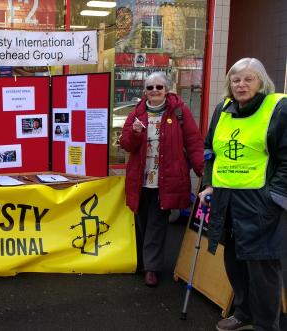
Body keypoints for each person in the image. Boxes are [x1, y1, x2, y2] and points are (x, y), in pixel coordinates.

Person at [198, 58, 286, 331]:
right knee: (234, 261)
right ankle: (243, 313)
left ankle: (265, 325)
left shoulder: (277, 109)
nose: (241, 85)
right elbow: (210, 149)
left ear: (261, 82)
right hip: (226, 200)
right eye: (235, 80)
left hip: (260, 202)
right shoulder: (222, 109)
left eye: (248, 79)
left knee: (262, 268)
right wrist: (209, 184)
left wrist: (276, 195)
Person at [120, 72, 203, 287]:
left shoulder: (179, 111)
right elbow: (126, 144)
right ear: (145, 92)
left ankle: (151, 268)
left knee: (157, 224)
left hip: (166, 180)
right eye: (150, 87)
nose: (154, 91)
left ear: (166, 89)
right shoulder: (137, 113)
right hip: (140, 180)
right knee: (142, 222)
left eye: (159, 87)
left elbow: (193, 141)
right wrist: (136, 133)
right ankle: (142, 261)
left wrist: (204, 171)